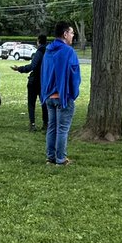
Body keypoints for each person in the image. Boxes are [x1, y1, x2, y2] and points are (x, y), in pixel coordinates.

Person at [40, 22, 81, 165]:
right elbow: (74, 75)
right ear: (65, 34)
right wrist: (73, 93)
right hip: (63, 97)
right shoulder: (68, 51)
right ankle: (60, 158)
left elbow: (44, 73)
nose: (72, 35)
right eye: (71, 33)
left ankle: (50, 157)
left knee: (52, 127)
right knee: (62, 129)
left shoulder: (48, 51)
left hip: (49, 96)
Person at [12, 34, 48, 132]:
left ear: (38, 41)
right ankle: (46, 123)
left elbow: (33, 66)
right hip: (44, 81)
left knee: (31, 103)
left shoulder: (40, 51)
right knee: (44, 102)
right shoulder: (49, 52)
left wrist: (20, 69)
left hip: (35, 80)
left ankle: (32, 124)